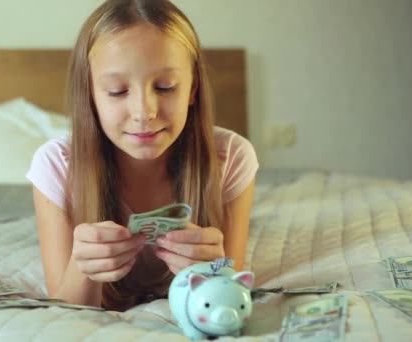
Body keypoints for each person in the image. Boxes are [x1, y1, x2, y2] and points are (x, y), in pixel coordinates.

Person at [26, 0, 258, 312]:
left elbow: (225, 295)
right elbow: (64, 311)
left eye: (165, 87)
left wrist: (216, 270)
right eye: (117, 91)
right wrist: (84, 270)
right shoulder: (56, 166)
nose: (144, 112)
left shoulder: (230, 157)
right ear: (90, 96)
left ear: (193, 89)